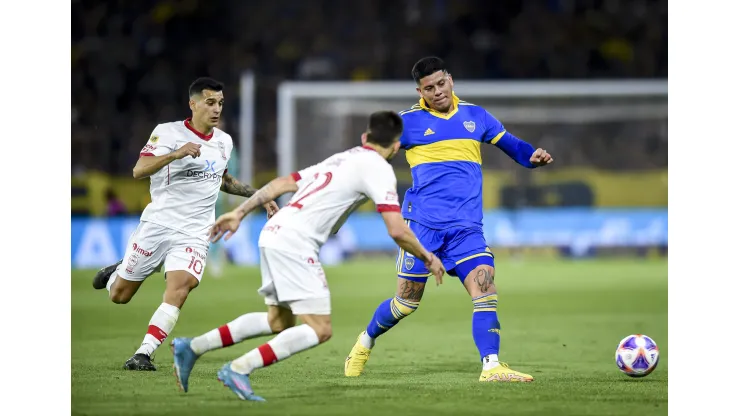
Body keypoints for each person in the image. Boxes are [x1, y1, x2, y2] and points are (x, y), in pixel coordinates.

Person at [170, 111, 445, 401]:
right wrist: (428, 257)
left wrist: (239, 212)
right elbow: (397, 230)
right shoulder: (378, 168)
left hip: (273, 233)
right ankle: (239, 368)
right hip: (295, 242)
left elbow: (282, 183)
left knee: (279, 322)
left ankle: (194, 347)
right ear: (397, 146)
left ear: (365, 137)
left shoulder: (341, 158)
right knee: (320, 329)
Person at [345, 57, 554, 382]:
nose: (438, 92)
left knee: (485, 288)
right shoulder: (407, 123)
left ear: (451, 80)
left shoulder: (475, 115)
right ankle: (364, 342)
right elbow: (373, 155)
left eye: (441, 84)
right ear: (420, 91)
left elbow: (514, 147)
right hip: (423, 229)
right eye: (429, 88)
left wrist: (533, 156)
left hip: (467, 229)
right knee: (405, 304)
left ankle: (492, 366)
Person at [90, 77, 279, 371]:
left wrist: (259, 196)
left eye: (220, 103)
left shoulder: (224, 142)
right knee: (119, 296)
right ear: (193, 104)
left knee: (181, 287)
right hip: (158, 224)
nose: (216, 109)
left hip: (195, 231)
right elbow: (139, 170)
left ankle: (143, 353)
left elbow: (223, 180)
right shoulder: (168, 133)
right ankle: (118, 268)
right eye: (210, 102)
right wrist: (176, 154)